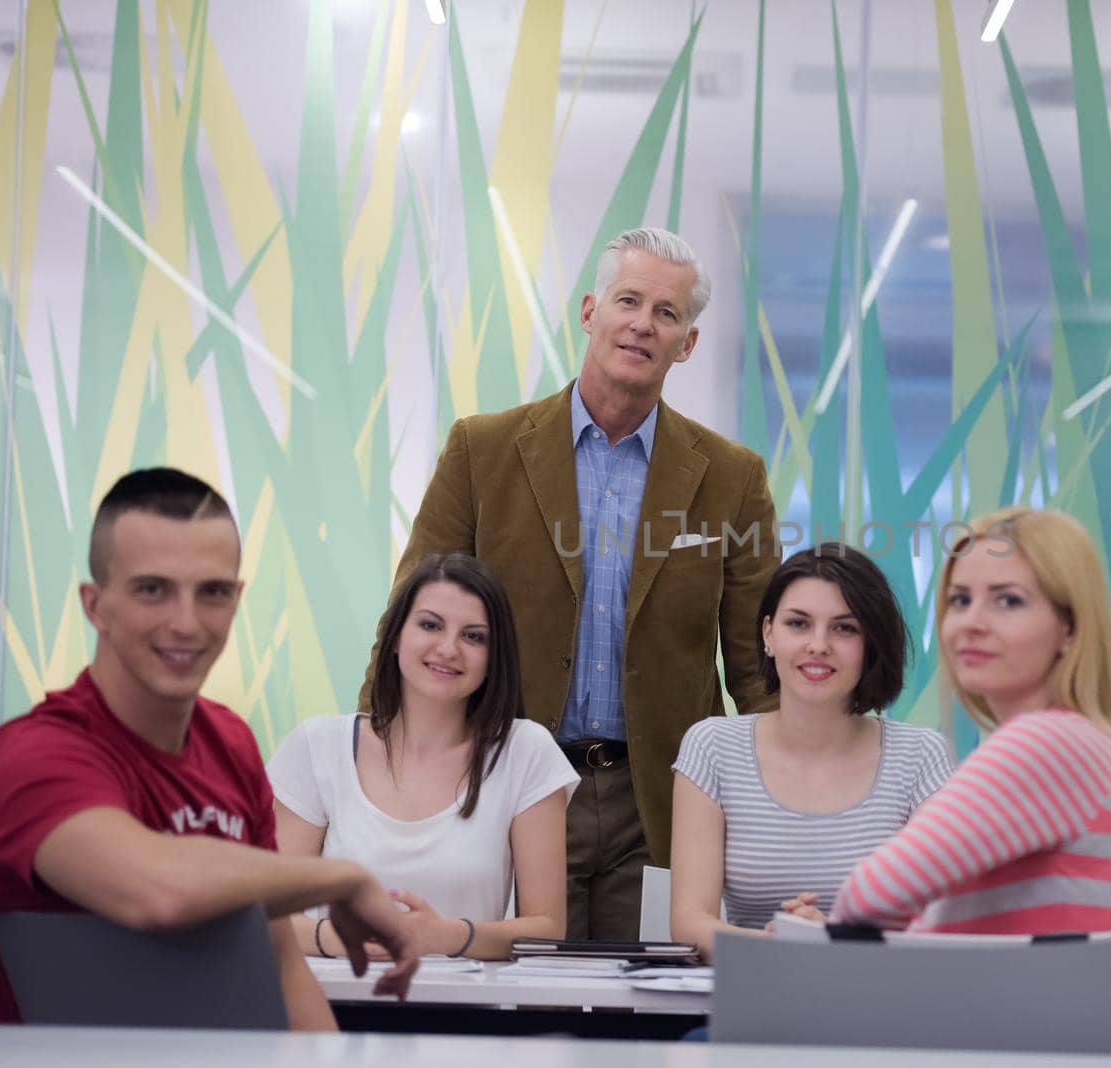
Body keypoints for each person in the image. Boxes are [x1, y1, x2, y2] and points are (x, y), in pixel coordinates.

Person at [360, 227, 780, 941]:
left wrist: (783, 801)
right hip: (504, 776)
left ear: (688, 344)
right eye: (629, 300)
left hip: (657, 799)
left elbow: (756, 662)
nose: (644, 324)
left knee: (641, 1012)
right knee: (510, 999)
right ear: (589, 312)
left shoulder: (731, 477)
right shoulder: (482, 450)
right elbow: (411, 617)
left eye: (668, 313)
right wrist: (377, 768)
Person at [0, 468, 419, 1028]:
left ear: (237, 599)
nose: (185, 623)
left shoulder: (230, 742)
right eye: (152, 590)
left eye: (211, 592)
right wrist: (344, 878)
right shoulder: (32, 754)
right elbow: (156, 891)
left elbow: (282, 963)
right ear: (95, 605)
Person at [830, 508, 1111, 934]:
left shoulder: (1047, 742)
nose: (971, 623)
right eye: (960, 600)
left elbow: (866, 897)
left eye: (1008, 600)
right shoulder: (1080, 741)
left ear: (1070, 629)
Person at [270, 554, 576, 960]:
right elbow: (268, 912)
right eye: (430, 625)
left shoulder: (526, 751)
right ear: (395, 637)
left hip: (467, 1015)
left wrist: (447, 937)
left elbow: (547, 929)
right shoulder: (316, 745)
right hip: (339, 1008)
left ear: (494, 657)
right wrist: (343, 939)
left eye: (474, 636)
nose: (448, 648)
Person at [669, 544, 953, 960]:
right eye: (798, 624)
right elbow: (689, 924)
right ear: (768, 634)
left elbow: (939, 924)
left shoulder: (922, 756)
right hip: (753, 999)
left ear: (871, 642)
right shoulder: (711, 746)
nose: (818, 645)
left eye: (844, 628)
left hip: (882, 1005)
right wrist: (778, 946)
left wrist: (834, 940)